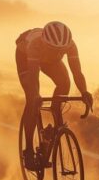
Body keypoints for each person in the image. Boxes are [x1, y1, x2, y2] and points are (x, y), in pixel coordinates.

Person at [16, 21, 93, 170]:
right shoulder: (35, 45)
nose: (56, 52)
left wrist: (84, 92)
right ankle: (29, 151)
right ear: (45, 43)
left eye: (60, 50)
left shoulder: (71, 45)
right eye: (53, 49)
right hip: (25, 57)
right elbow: (33, 77)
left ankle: (53, 126)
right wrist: (36, 96)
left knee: (64, 83)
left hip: (49, 61)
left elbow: (77, 73)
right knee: (32, 99)